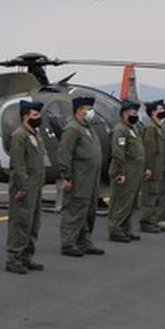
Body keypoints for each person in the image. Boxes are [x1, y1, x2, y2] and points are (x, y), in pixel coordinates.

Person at [56, 95, 104, 257]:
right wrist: (67, 176)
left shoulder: (88, 128)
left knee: (88, 210)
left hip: (91, 178)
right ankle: (68, 243)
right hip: (79, 177)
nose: (91, 112)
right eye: (88, 109)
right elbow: (64, 153)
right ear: (79, 110)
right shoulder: (72, 129)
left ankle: (84, 241)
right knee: (74, 210)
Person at [4, 99, 47, 274]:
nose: (38, 117)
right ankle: (13, 258)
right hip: (24, 187)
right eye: (35, 115)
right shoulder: (19, 136)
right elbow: (18, 164)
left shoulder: (34, 134)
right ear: (25, 116)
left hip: (35, 186)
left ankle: (26, 257)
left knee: (33, 223)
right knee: (20, 223)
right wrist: (21, 187)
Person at [107, 100, 146, 242]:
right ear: (124, 114)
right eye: (133, 113)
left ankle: (125, 229)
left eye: (136, 113)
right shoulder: (120, 130)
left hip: (134, 171)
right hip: (126, 170)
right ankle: (115, 229)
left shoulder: (132, 129)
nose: (135, 116)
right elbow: (118, 153)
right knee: (121, 200)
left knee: (130, 201)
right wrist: (120, 172)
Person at [139, 100, 165, 234]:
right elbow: (149, 150)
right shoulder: (151, 128)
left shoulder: (158, 127)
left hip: (157, 168)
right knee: (149, 197)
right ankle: (145, 222)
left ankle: (152, 220)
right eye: (160, 109)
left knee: (154, 195)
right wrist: (148, 168)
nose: (163, 111)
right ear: (153, 112)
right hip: (152, 169)